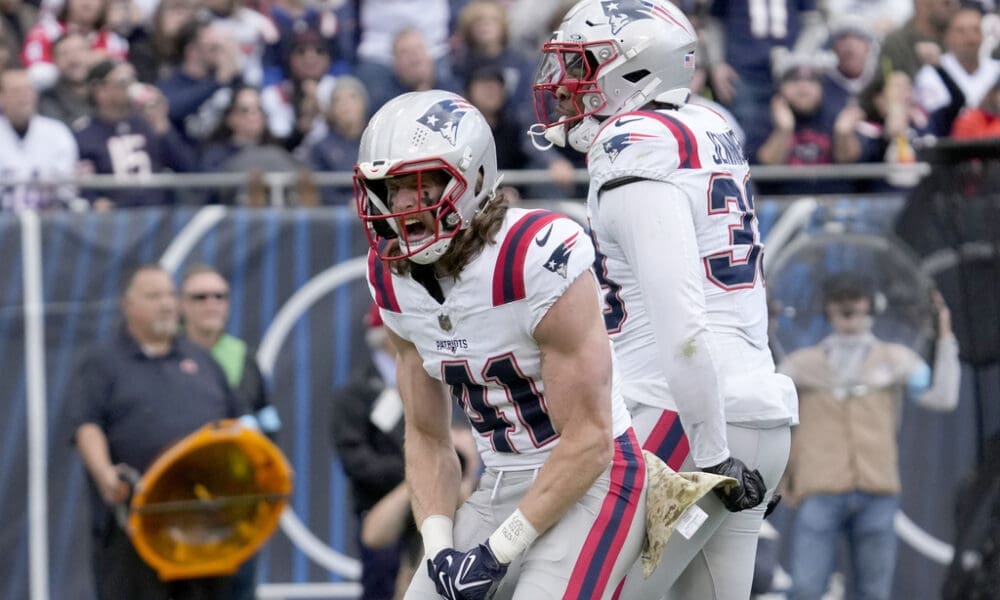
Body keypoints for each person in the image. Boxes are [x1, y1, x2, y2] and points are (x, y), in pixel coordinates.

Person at [530, 1, 797, 598]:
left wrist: (713, 451)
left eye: (581, 66)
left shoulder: (635, 144)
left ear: (633, 71)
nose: (563, 85)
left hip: (683, 422)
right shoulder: (710, 127)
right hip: (758, 412)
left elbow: (683, 325)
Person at [354, 88, 647, 599]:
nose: (402, 204)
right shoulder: (389, 276)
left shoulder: (534, 255)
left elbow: (590, 439)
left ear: (472, 179)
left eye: (419, 184)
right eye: (390, 187)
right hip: (500, 481)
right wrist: (440, 546)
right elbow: (427, 436)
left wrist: (497, 550)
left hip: (595, 479)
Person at [778, 273, 960, 600]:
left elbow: (943, 396)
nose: (849, 309)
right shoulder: (800, 364)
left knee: (874, 592)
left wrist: (945, 335)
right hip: (820, 488)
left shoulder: (895, 359)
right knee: (805, 588)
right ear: (827, 309)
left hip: (877, 490)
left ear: (871, 307)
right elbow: (770, 405)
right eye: (840, 302)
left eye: (856, 301)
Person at [69, 263, 244, 599]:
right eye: (153, 296)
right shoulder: (103, 362)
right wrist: (106, 475)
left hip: (206, 527)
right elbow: (86, 426)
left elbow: (235, 427)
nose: (166, 304)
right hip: (136, 527)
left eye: (170, 295)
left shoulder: (201, 360)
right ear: (128, 305)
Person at [332, 305, 479, 600]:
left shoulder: (439, 378)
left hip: (437, 499)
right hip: (381, 504)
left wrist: (458, 461)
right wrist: (414, 471)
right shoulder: (354, 393)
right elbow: (356, 460)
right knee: (385, 584)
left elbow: (458, 439)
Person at [178, 263, 280, 600]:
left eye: (219, 295)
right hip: (179, 513)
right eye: (200, 296)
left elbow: (270, 428)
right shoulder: (167, 357)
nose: (211, 303)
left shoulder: (244, 357)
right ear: (182, 305)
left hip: (239, 511)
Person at [0, 68, 80, 212]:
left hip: (49, 220)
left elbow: (67, 189)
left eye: (28, 90)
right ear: (2, 97)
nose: (24, 97)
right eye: (16, 91)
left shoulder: (57, 132)